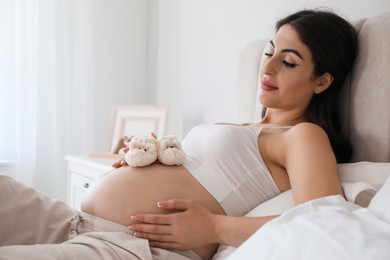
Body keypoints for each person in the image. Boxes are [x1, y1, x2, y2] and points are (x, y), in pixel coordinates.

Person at [0, 9, 357, 260]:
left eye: (288, 61)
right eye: (269, 51)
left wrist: (217, 228)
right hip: (76, 222)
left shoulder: (303, 135)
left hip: (134, 248)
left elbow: (324, 221)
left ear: (322, 80)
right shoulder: (244, 126)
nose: (266, 67)